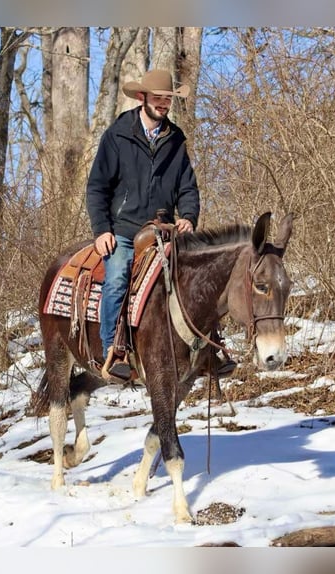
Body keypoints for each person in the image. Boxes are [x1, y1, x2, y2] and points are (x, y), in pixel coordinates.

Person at [87, 69, 235, 381]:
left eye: (168, 98)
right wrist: (102, 230)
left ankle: (211, 348)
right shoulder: (117, 135)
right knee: (116, 278)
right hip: (125, 230)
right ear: (142, 98)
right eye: (158, 98)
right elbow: (97, 186)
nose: (164, 104)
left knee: (199, 275)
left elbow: (187, 187)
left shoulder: (176, 139)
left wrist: (188, 217)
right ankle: (113, 351)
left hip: (165, 231)